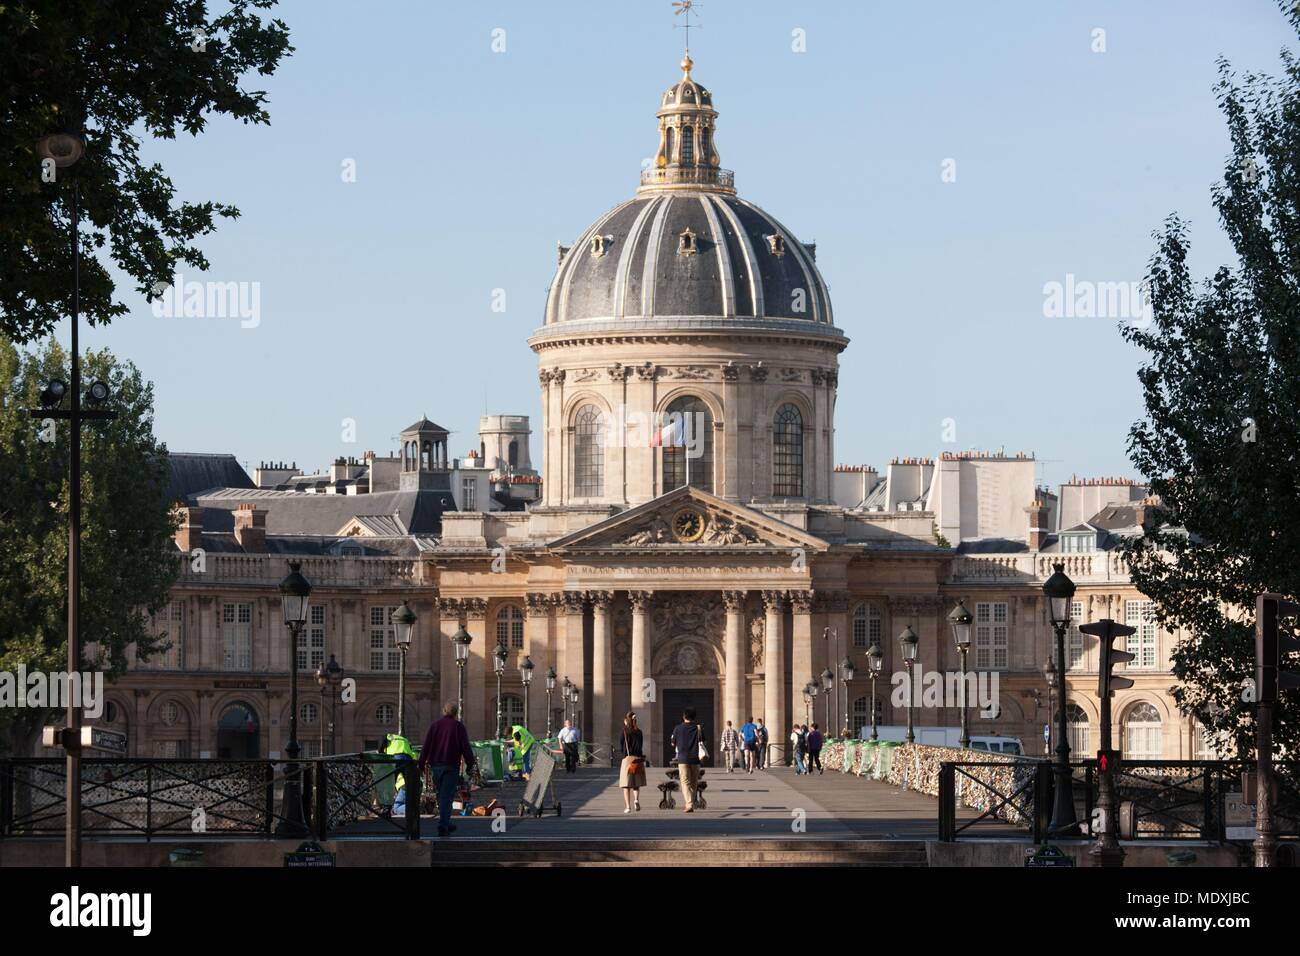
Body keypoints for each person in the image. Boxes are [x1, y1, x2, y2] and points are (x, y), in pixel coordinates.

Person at [416, 702, 477, 837]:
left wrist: (420, 765)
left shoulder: (435, 726)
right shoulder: (458, 727)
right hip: (451, 766)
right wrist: (470, 764)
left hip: (436, 766)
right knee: (446, 796)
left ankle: (445, 822)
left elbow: (426, 746)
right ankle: (443, 824)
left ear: (444, 711)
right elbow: (465, 748)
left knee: (441, 795)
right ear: (456, 713)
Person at [670, 707, 703, 813]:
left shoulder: (677, 728)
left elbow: (672, 743)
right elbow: (703, 742)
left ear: (684, 717)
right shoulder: (698, 728)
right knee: (694, 782)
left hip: (683, 758)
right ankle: (690, 803)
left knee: (685, 782)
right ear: (694, 717)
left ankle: (689, 804)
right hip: (695, 759)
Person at [618, 711, 647, 813]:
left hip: (628, 759)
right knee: (636, 783)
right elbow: (641, 745)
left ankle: (628, 807)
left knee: (626, 785)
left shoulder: (625, 731)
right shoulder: (639, 732)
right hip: (638, 759)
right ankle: (636, 800)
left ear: (627, 720)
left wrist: (623, 755)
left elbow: (621, 745)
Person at [385, 731, 416, 818]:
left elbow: (381, 750)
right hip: (408, 758)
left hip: (396, 757)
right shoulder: (404, 739)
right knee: (409, 784)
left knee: (390, 784)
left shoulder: (388, 737)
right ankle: (413, 807)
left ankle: (387, 809)